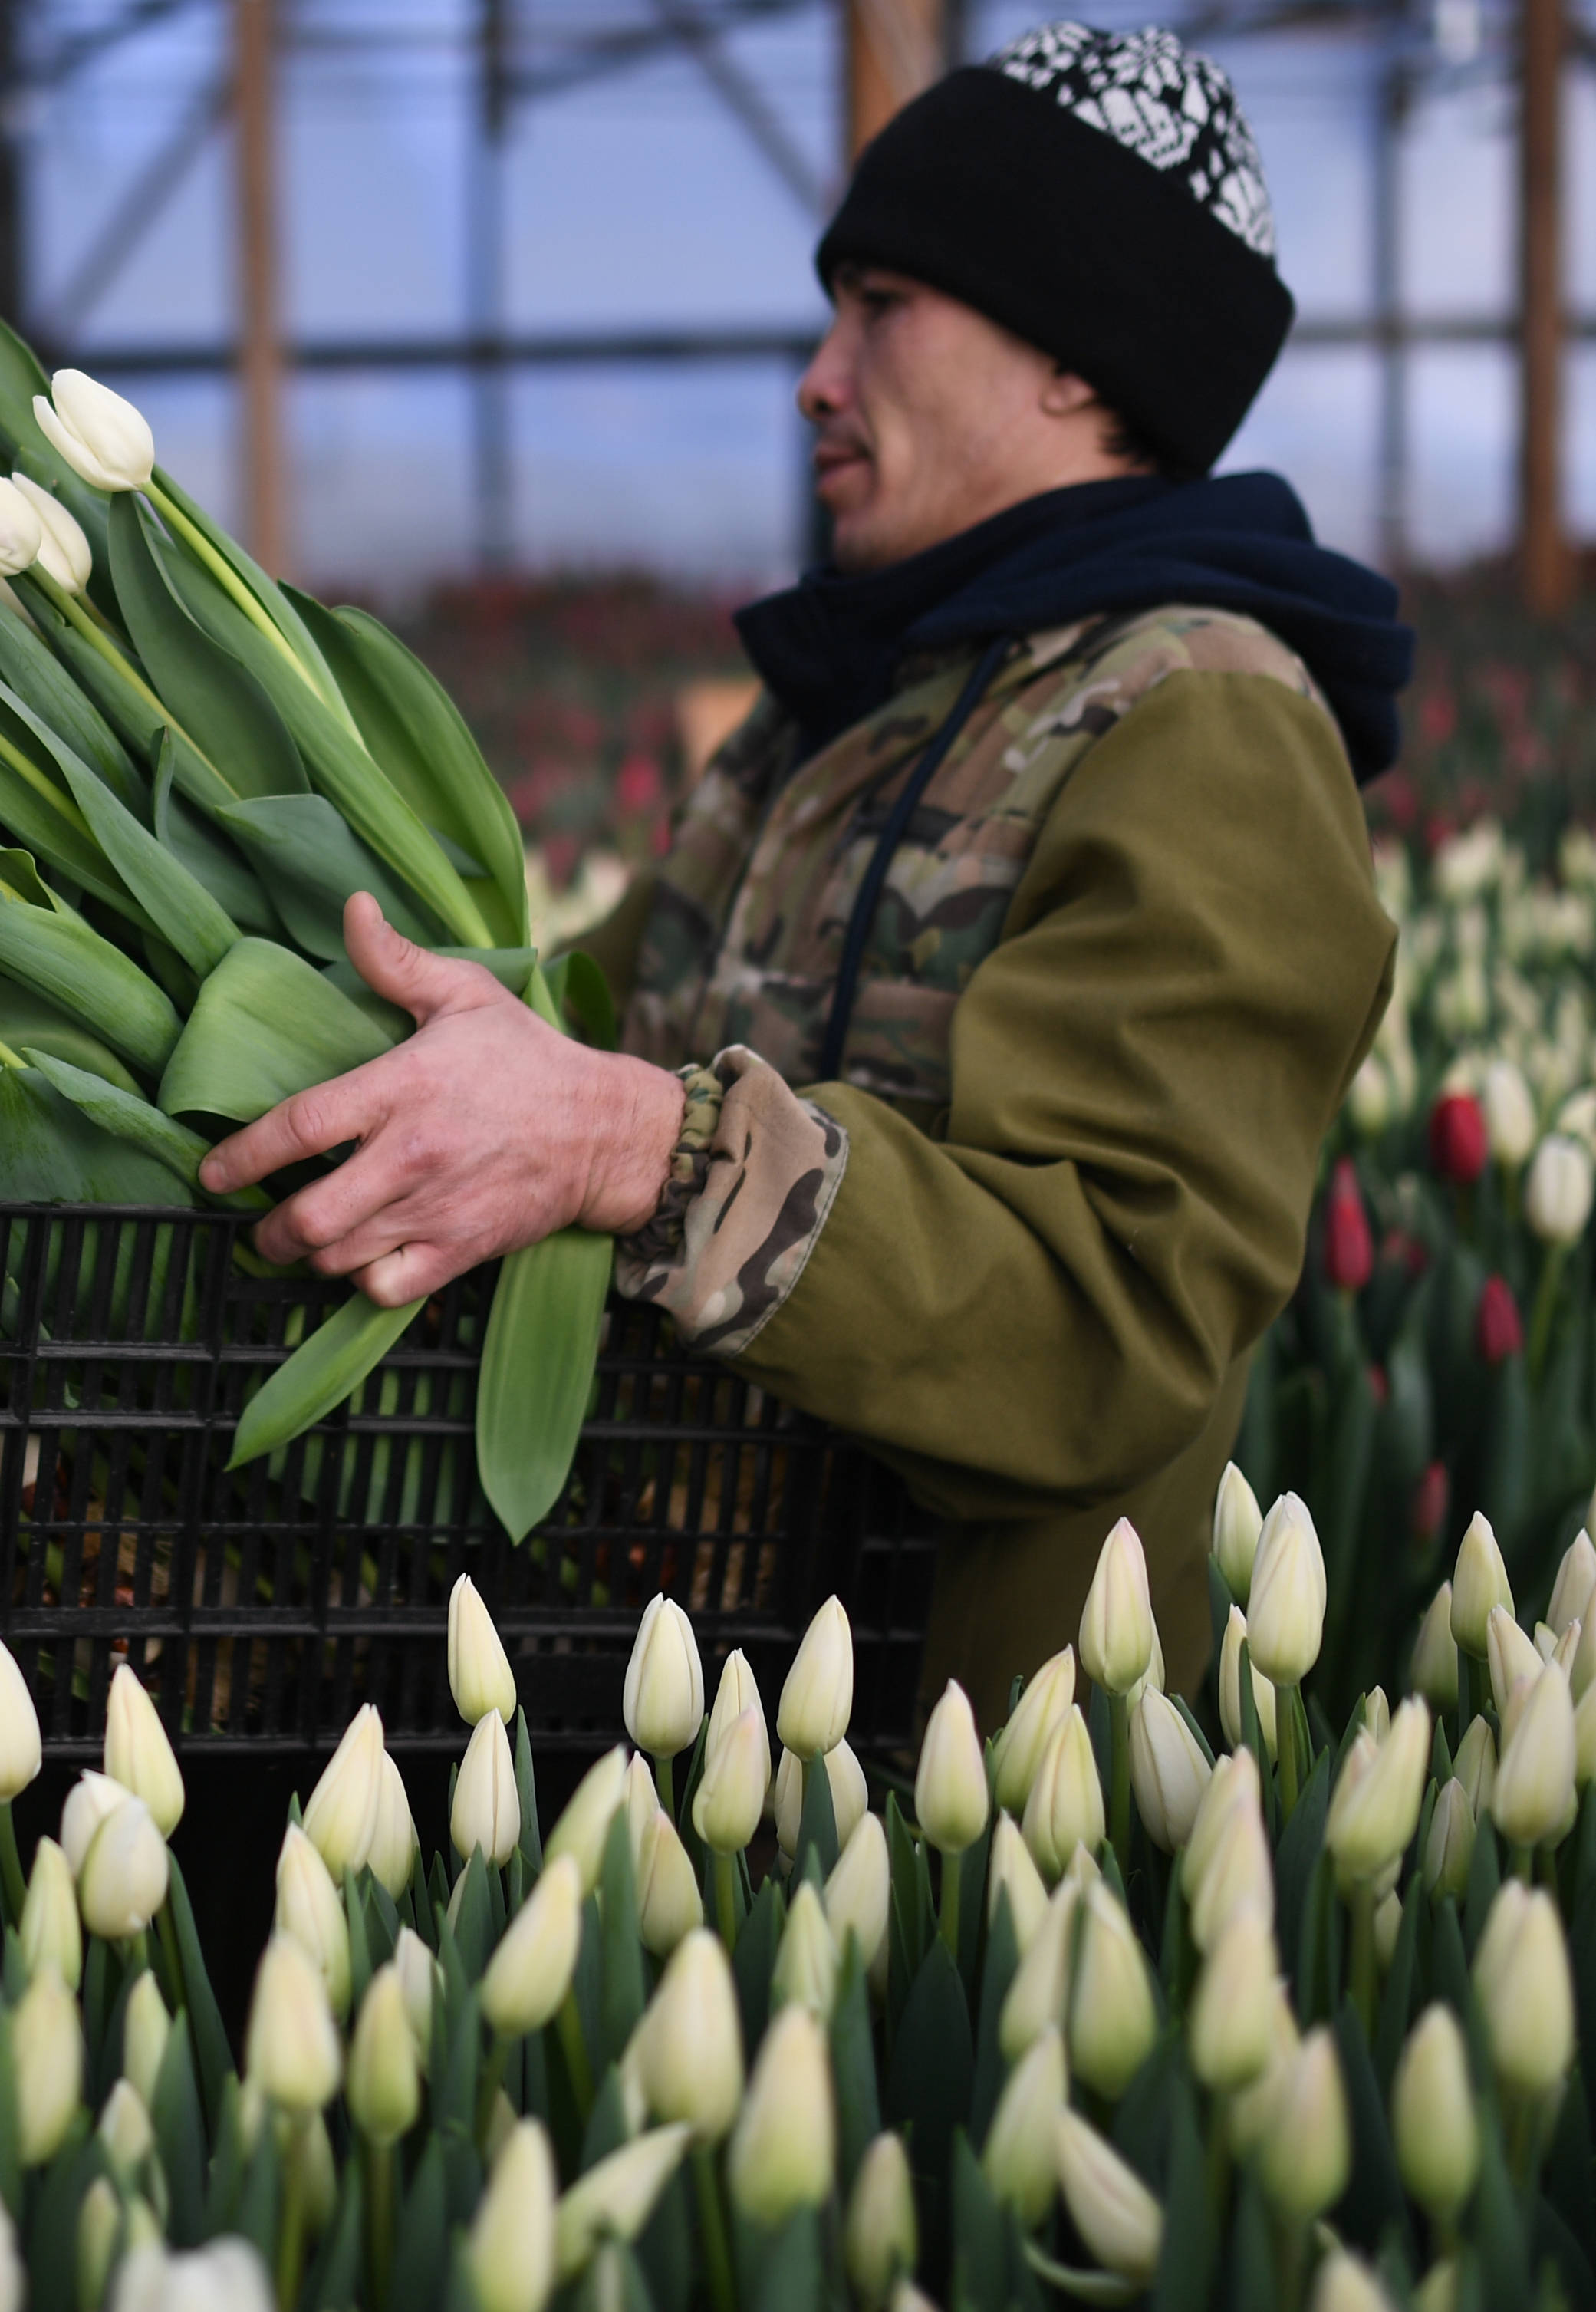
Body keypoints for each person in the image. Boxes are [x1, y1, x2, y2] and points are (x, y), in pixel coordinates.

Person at [199, 23, 1414, 1714]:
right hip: (673, 1709)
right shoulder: (840, 710)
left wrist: (637, 1142)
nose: (813, 375)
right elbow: (595, 1018)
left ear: (1071, 354)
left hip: (961, 1803)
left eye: (881, 305)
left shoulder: (1197, 724)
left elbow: (1109, 1316)